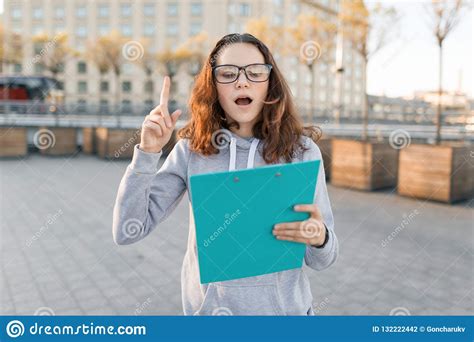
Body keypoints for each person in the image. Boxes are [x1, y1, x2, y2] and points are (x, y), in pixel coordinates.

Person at [112, 33, 338, 316]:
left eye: (255, 72)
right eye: (228, 73)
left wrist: (320, 238)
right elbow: (126, 230)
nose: (242, 81)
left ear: (270, 84)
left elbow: (323, 259)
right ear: (213, 86)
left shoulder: (302, 152)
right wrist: (147, 153)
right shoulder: (191, 151)